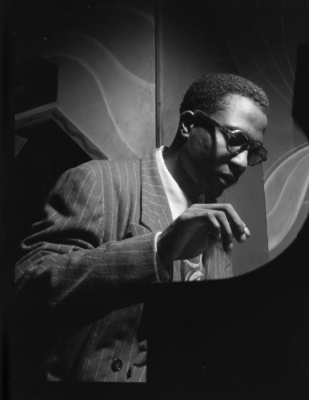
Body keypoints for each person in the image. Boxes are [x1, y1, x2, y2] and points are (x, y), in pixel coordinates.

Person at [14, 73, 269, 383]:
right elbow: (27, 287)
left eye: (253, 151)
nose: (242, 162)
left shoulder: (215, 233)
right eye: (236, 139)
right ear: (188, 124)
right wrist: (158, 249)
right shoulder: (99, 181)